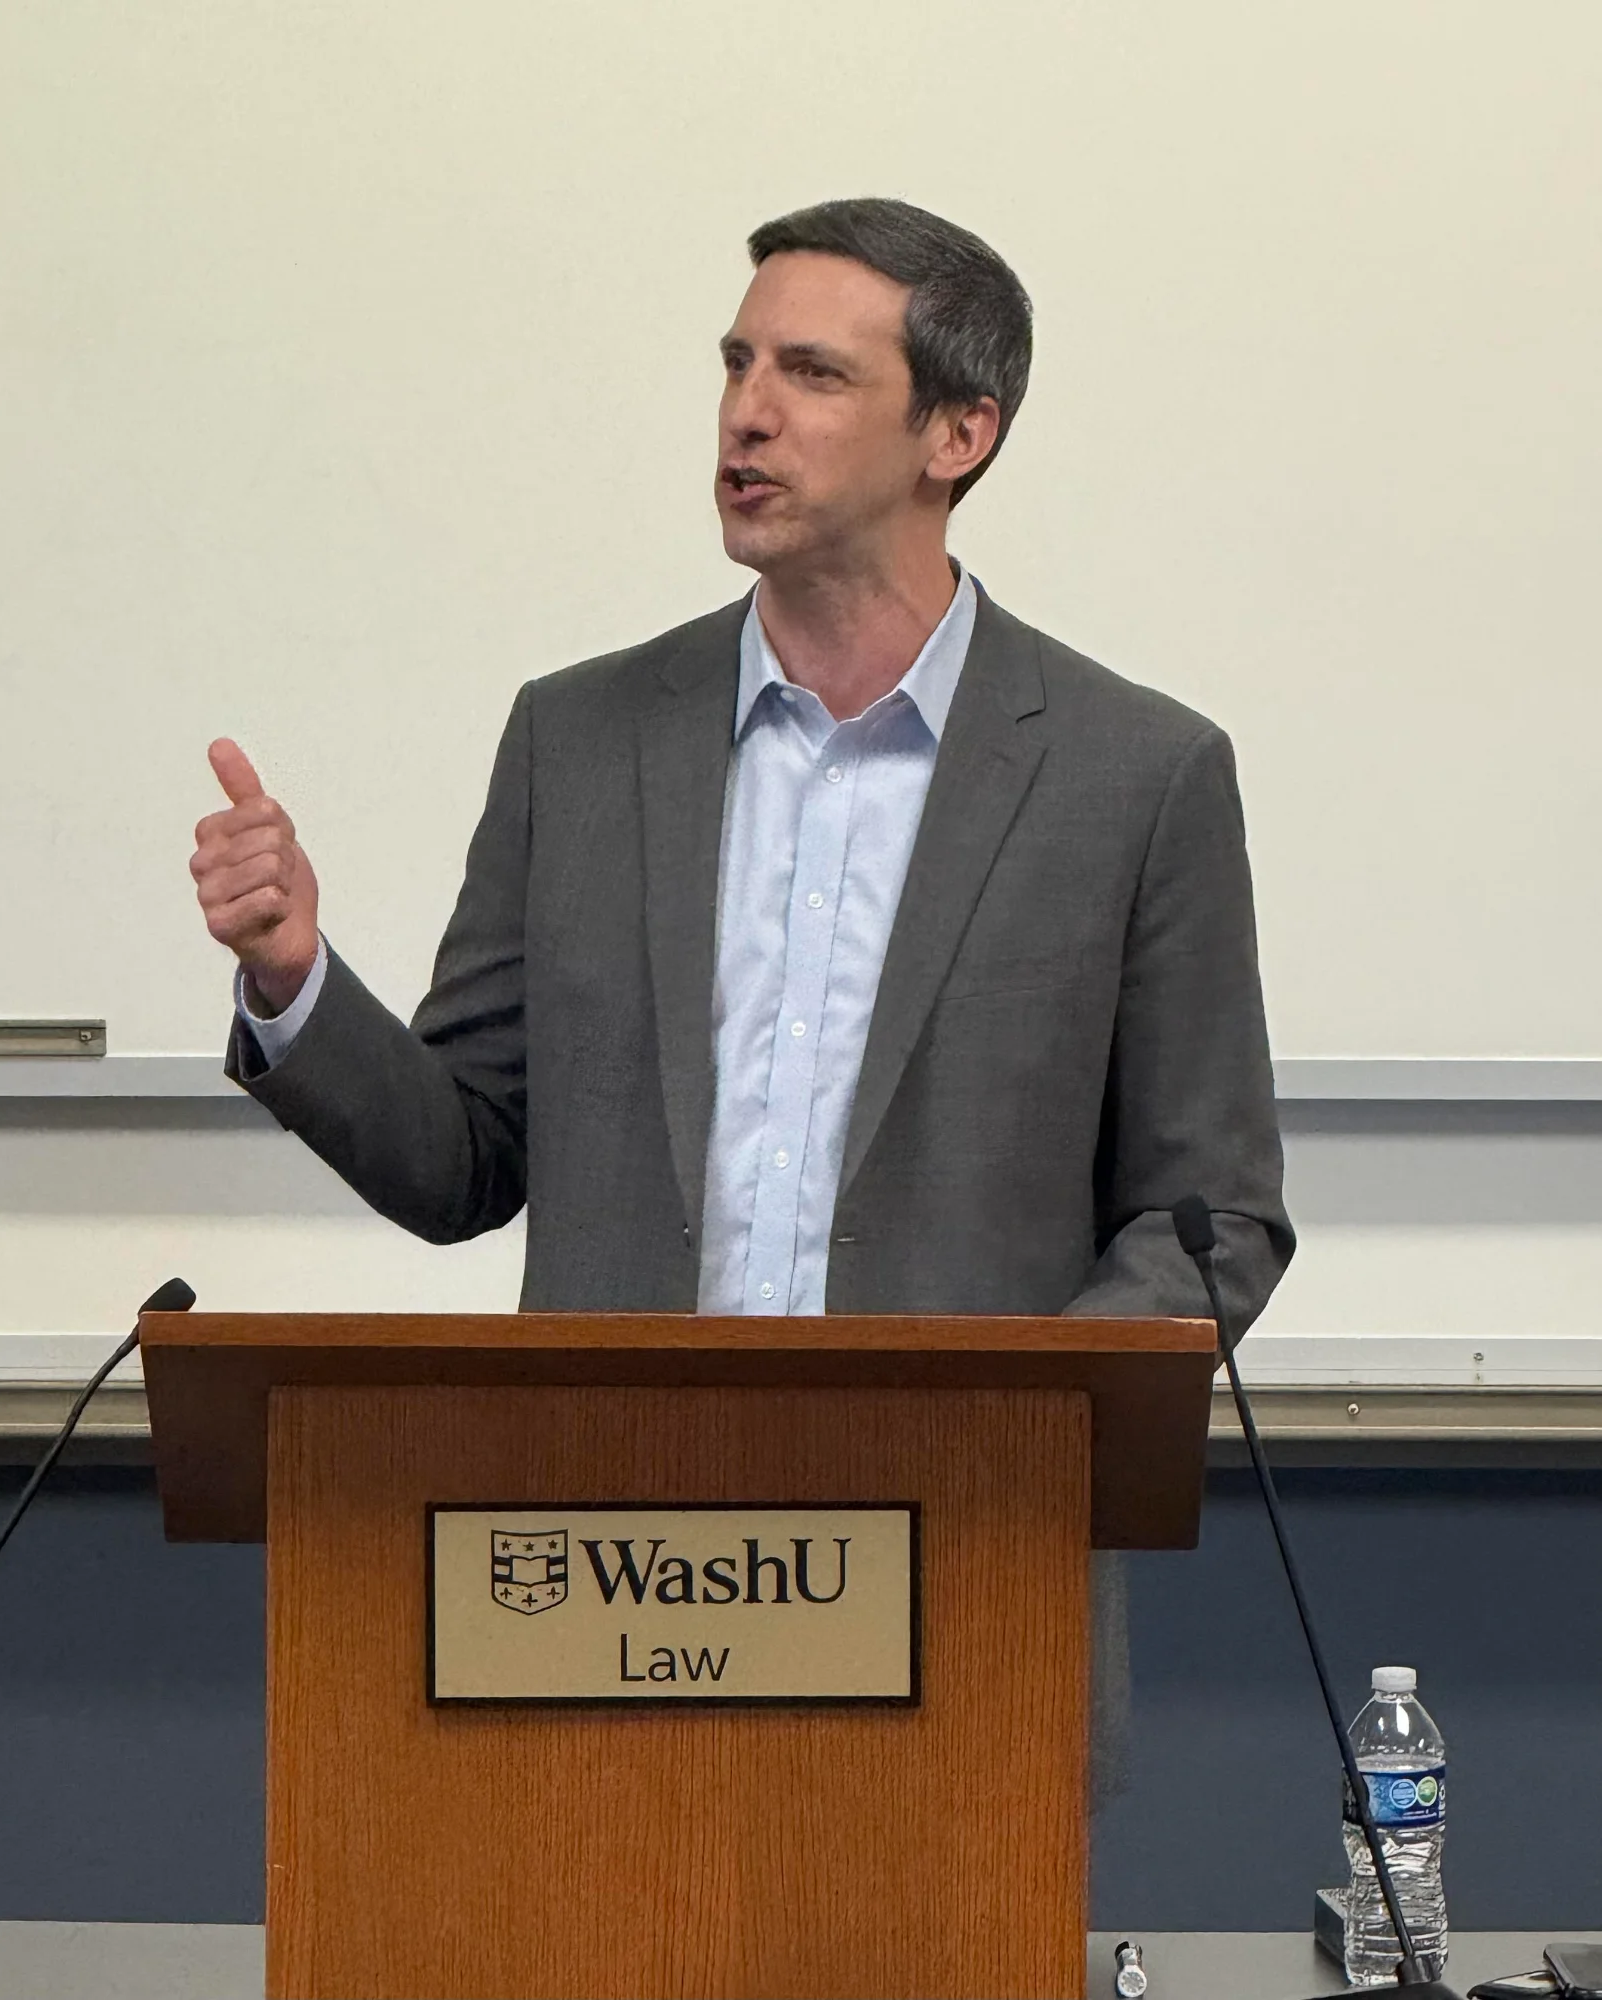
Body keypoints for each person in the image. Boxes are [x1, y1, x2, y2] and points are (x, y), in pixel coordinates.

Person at [190, 196, 1295, 1791]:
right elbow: (460, 1162)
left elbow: (1212, 1221)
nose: (747, 412)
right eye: (735, 364)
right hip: (593, 1577)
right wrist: (295, 978)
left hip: (958, 1582)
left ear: (960, 432)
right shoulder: (582, 739)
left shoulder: (1137, 774)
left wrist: (1005, 1428)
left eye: (813, 373)